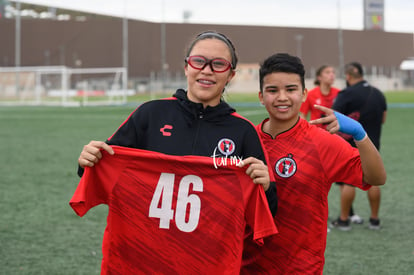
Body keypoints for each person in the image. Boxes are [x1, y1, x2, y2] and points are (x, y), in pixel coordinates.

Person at [73, 31, 278, 274]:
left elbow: (266, 210)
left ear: (230, 74)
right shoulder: (150, 114)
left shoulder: (243, 131)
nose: (207, 70)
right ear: (186, 67)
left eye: (219, 64)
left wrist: (266, 186)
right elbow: (103, 170)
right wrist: (87, 160)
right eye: (199, 61)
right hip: (142, 262)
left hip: (207, 264)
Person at [241, 53, 386, 274]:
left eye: (290, 90)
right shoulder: (246, 139)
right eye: (273, 90)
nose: (282, 97)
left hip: (300, 267)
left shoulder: (322, 142)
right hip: (247, 265)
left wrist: (360, 134)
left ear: (304, 94)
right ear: (261, 96)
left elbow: (376, 178)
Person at [300, 65, 363, 224]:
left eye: (333, 72)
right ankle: (315, 218)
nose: (332, 75)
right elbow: (301, 117)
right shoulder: (311, 95)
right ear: (319, 77)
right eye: (327, 72)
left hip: (336, 142)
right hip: (315, 144)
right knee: (315, 182)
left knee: (344, 179)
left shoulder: (339, 94)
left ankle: (349, 213)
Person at [330, 62, 387, 231]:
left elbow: (334, 118)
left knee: (348, 181)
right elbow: (383, 119)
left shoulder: (346, 94)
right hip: (373, 143)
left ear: (348, 76)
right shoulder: (378, 93)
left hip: (350, 145)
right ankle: (374, 220)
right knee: (374, 180)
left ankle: (344, 220)